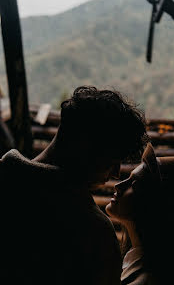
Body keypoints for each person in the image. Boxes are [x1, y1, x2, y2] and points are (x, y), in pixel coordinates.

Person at [0, 85, 148, 285]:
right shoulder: (93, 233)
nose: (116, 172)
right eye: (113, 160)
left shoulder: (7, 184)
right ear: (85, 145)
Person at [106, 143, 174, 285]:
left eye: (134, 184)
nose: (118, 185)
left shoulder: (147, 279)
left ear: (153, 203)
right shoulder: (172, 259)